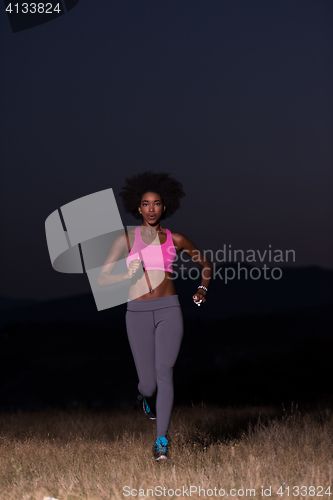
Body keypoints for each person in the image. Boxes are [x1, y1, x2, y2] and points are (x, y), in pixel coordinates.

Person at [97, 171, 212, 461]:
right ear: (138, 208)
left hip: (169, 309)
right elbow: (102, 280)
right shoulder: (126, 238)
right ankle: (147, 399)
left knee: (165, 373)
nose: (151, 209)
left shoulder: (177, 239)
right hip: (136, 313)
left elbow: (206, 263)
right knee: (148, 384)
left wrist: (202, 289)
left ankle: (161, 440)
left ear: (164, 207)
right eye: (146, 204)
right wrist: (127, 273)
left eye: (156, 204)